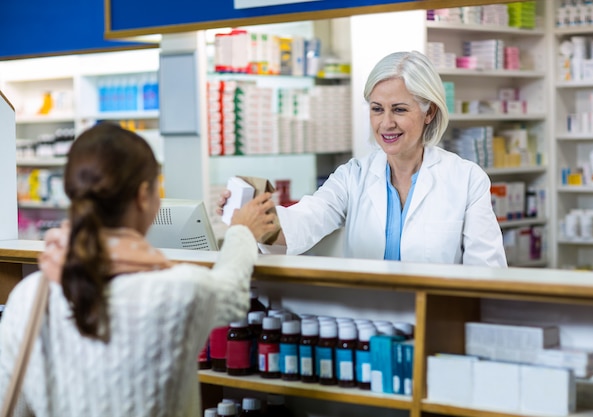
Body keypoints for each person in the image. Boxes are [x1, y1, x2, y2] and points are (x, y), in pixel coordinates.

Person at [0, 123, 276, 416]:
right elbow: (232, 290)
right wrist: (242, 231)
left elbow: (10, 401)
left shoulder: (30, 295)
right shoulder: (177, 291)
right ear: (143, 195)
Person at [218, 50, 507, 267]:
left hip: (436, 322)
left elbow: (487, 272)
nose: (386, 123)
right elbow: (305, 221)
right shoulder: (353, 175)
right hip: (368, 324)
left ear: (429, 112)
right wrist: (250, 212)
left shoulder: (466, 179)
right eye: (377, 109)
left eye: (400, 110)